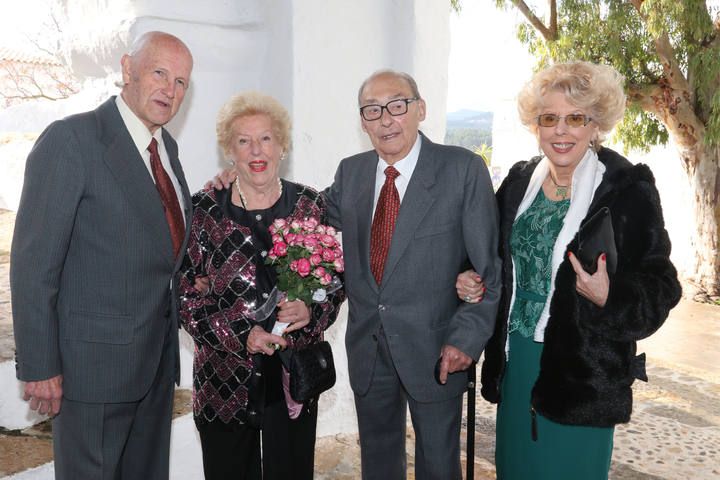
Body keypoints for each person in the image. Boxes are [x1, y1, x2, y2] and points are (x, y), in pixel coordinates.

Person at [456, 61, 682, 479]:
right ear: (536, 126)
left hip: (582, 373)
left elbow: (662, 285)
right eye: (549, 119)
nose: (561, 131)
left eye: (575, 118)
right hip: (518, 357)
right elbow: (491, 253)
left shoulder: (625, 189)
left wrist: (609, 297)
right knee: (516, 468)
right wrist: (470, 275)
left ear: (596, 125)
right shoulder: (518, 184)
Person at [11, 32, 194, 479]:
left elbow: (161, 247)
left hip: (153, 369)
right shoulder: (72, 141)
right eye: (160, 73)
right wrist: (40, 367)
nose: (170, 90)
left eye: (182, 82)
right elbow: (34, 265)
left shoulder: (165, 149)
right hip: (91, 374)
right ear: (127, 68)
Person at [322, 70, 501, 479]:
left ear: (420, 109)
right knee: (379, 464)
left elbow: (488, 269)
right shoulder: (350, 173)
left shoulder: (462, 170)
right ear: (362, 121)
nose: (386, 119)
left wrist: (466, 339)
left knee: (439, 466)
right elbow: (309, 220)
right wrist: (242, 182)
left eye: (397, 105)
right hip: (369, 347)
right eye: (372, 110)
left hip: (437, 350)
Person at [178, 91, 345, 480]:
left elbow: (336, 281)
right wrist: (241, 335)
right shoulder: (203, 210)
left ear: (282, 145)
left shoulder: (309, 204)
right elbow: (183, 298)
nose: (257, 149)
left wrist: (313, 311)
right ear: (229, 151)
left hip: (293, 378)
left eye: (266, 138)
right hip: (225, 383)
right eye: (243, 140)